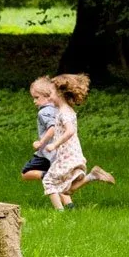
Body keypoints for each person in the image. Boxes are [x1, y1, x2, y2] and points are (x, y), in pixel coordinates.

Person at [39, 74, 115, 211]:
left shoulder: (64, 113)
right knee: (65, 189)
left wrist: (54, 145)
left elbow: (70, 131)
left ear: (60, 94)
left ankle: (59, 214)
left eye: (50, 93)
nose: (49, 97)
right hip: (72, 155)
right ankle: (93, 175)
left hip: (67, 156)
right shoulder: (66, 110)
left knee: (49, 182)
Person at [20, 76, 60, 186]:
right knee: (63, 184)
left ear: (48, 96)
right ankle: (69, 204)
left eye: (37, 97)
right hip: (59, 151)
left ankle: (49, 176)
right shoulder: (58, 109)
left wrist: (40, 143)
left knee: (25, 172)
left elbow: (53, 128)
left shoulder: (44, 112)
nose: (34, 101)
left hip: (46, 152)